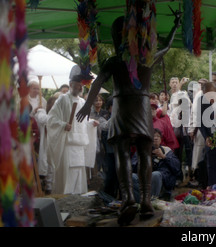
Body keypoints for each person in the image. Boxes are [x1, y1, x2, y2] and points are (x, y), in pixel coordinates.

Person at [76, 13, 181, 225]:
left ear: (117, 39)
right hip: (141, 108)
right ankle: (145, 201)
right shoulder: (147, 58)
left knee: (122, 154)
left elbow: (97, 83)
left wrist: (88, 104)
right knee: (145, 154)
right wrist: (176, 25)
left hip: (122, 108)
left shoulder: (114, 61)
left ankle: (128, 199)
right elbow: (168, 46)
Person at [47, 65, 99, 195]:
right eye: (77, 85)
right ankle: (65, 198)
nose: (80, 88)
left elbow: (81, 123)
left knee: (78, 174)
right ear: (71, 84)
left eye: (81, 85)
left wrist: (91, 123)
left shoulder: (82, 102)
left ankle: (78, 198)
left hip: (79, 146)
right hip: (67, 145)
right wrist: (63, 124)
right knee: (68, 175)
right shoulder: (62, 99)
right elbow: (51, 119)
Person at [33, 93, 60, 194]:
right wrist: (39, 110)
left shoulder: (58, 116)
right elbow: (42, 119)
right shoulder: (45, 115)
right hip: (47, 145)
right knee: (47, 165)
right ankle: (48, 187)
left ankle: (51, 187)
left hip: (56, 144)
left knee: (53, 167)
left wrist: (41, 111)